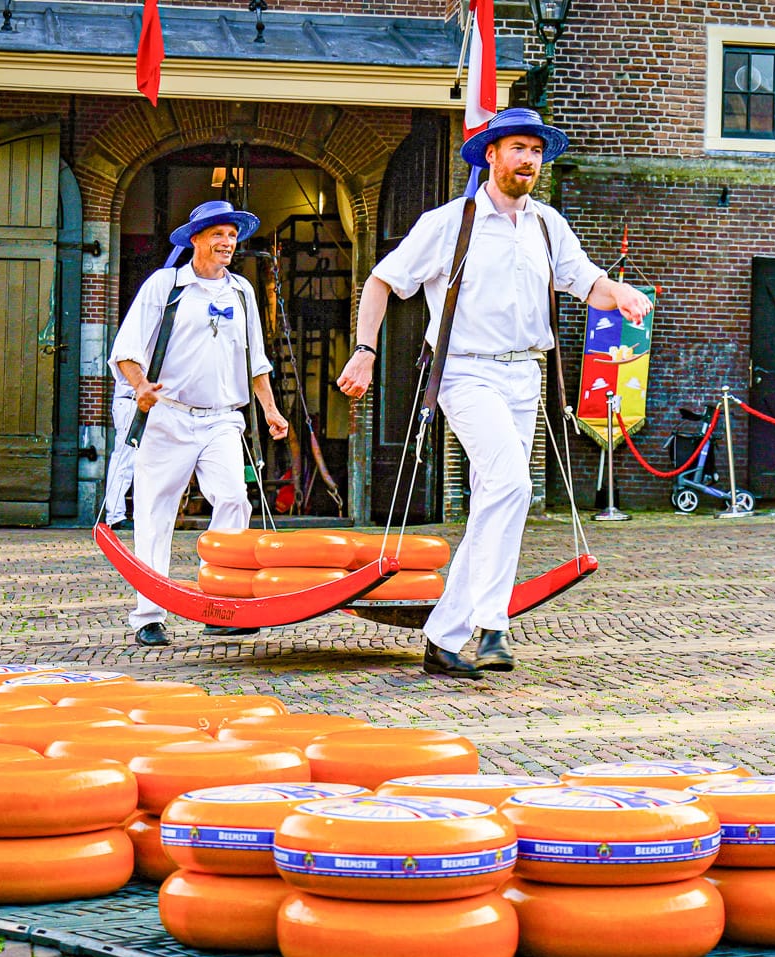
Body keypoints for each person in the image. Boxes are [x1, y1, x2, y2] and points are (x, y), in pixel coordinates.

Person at [336, 107, 652, 679]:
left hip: (523, 374)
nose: (529, 160)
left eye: (536, 150)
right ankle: (459, 629)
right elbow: (382, 279)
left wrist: (621, 294)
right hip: (464, 371)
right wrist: (365, 350)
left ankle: (487, 627)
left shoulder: (548, 226)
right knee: (511, 484)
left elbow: (588, 283)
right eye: (518, 149)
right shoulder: (447, 222)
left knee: (500, 498)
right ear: (491, 154)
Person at [108, 199, 289, 647]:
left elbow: (255, 359)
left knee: (233, 500)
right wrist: (142, 386)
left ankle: (220, 604)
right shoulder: (166, 286)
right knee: (155, 509)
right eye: (218, 234)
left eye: (232, 235)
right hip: (166, 416)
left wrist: (269, 409)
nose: (227, 242)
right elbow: (127, 349)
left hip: (222, 419)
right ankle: (149, 614)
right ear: (196, 240)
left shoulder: (243, 291)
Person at [104, 379, 138, 527]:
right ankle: (115, 515)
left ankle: (137, 515)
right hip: (131, 401)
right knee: (125, 461)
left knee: (140, 462)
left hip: (138, 402)